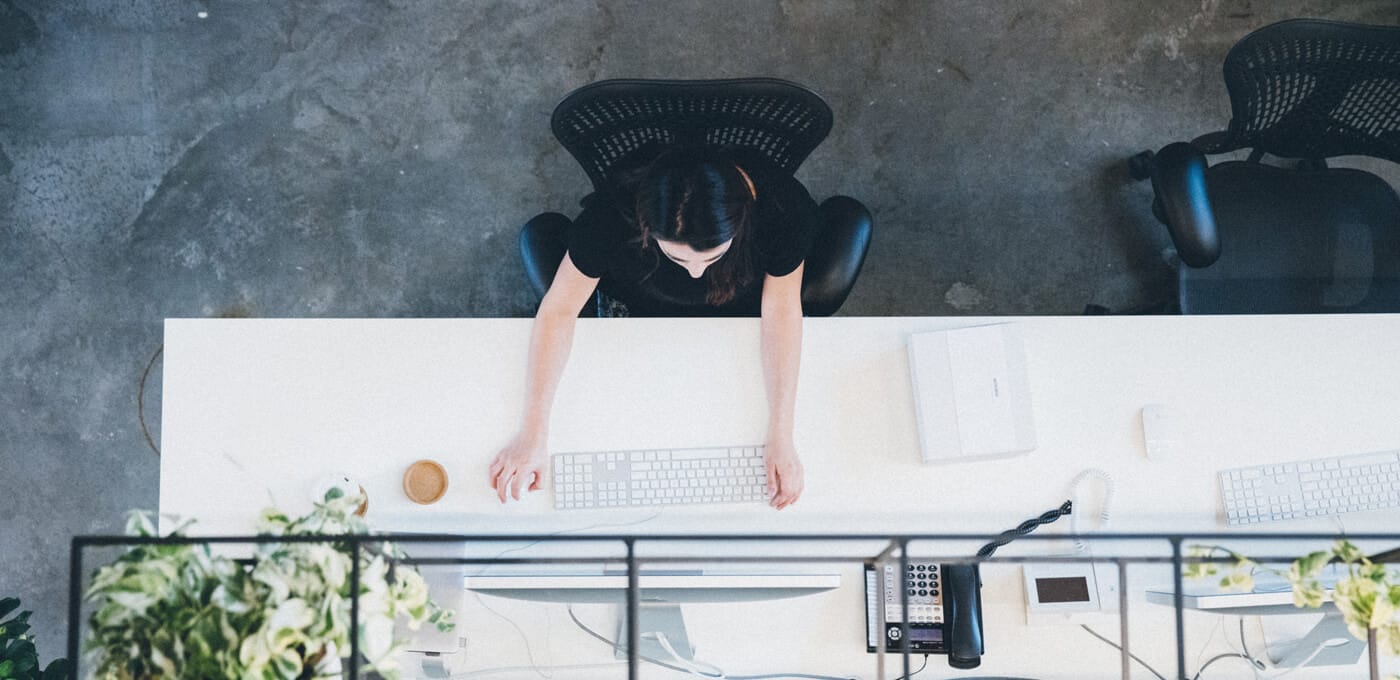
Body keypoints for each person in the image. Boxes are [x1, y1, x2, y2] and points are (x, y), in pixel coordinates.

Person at [489, 148, 819, 510]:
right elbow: (559, 310)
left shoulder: (784, 211)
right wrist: (532, 433)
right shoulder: (612, 215)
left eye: (711, 257)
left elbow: (781, 312)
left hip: (737, 314)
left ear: (741, 219)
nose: (695, 273)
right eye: (678, 257)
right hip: (636, 311)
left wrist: (782, 435)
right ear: (646, 226)